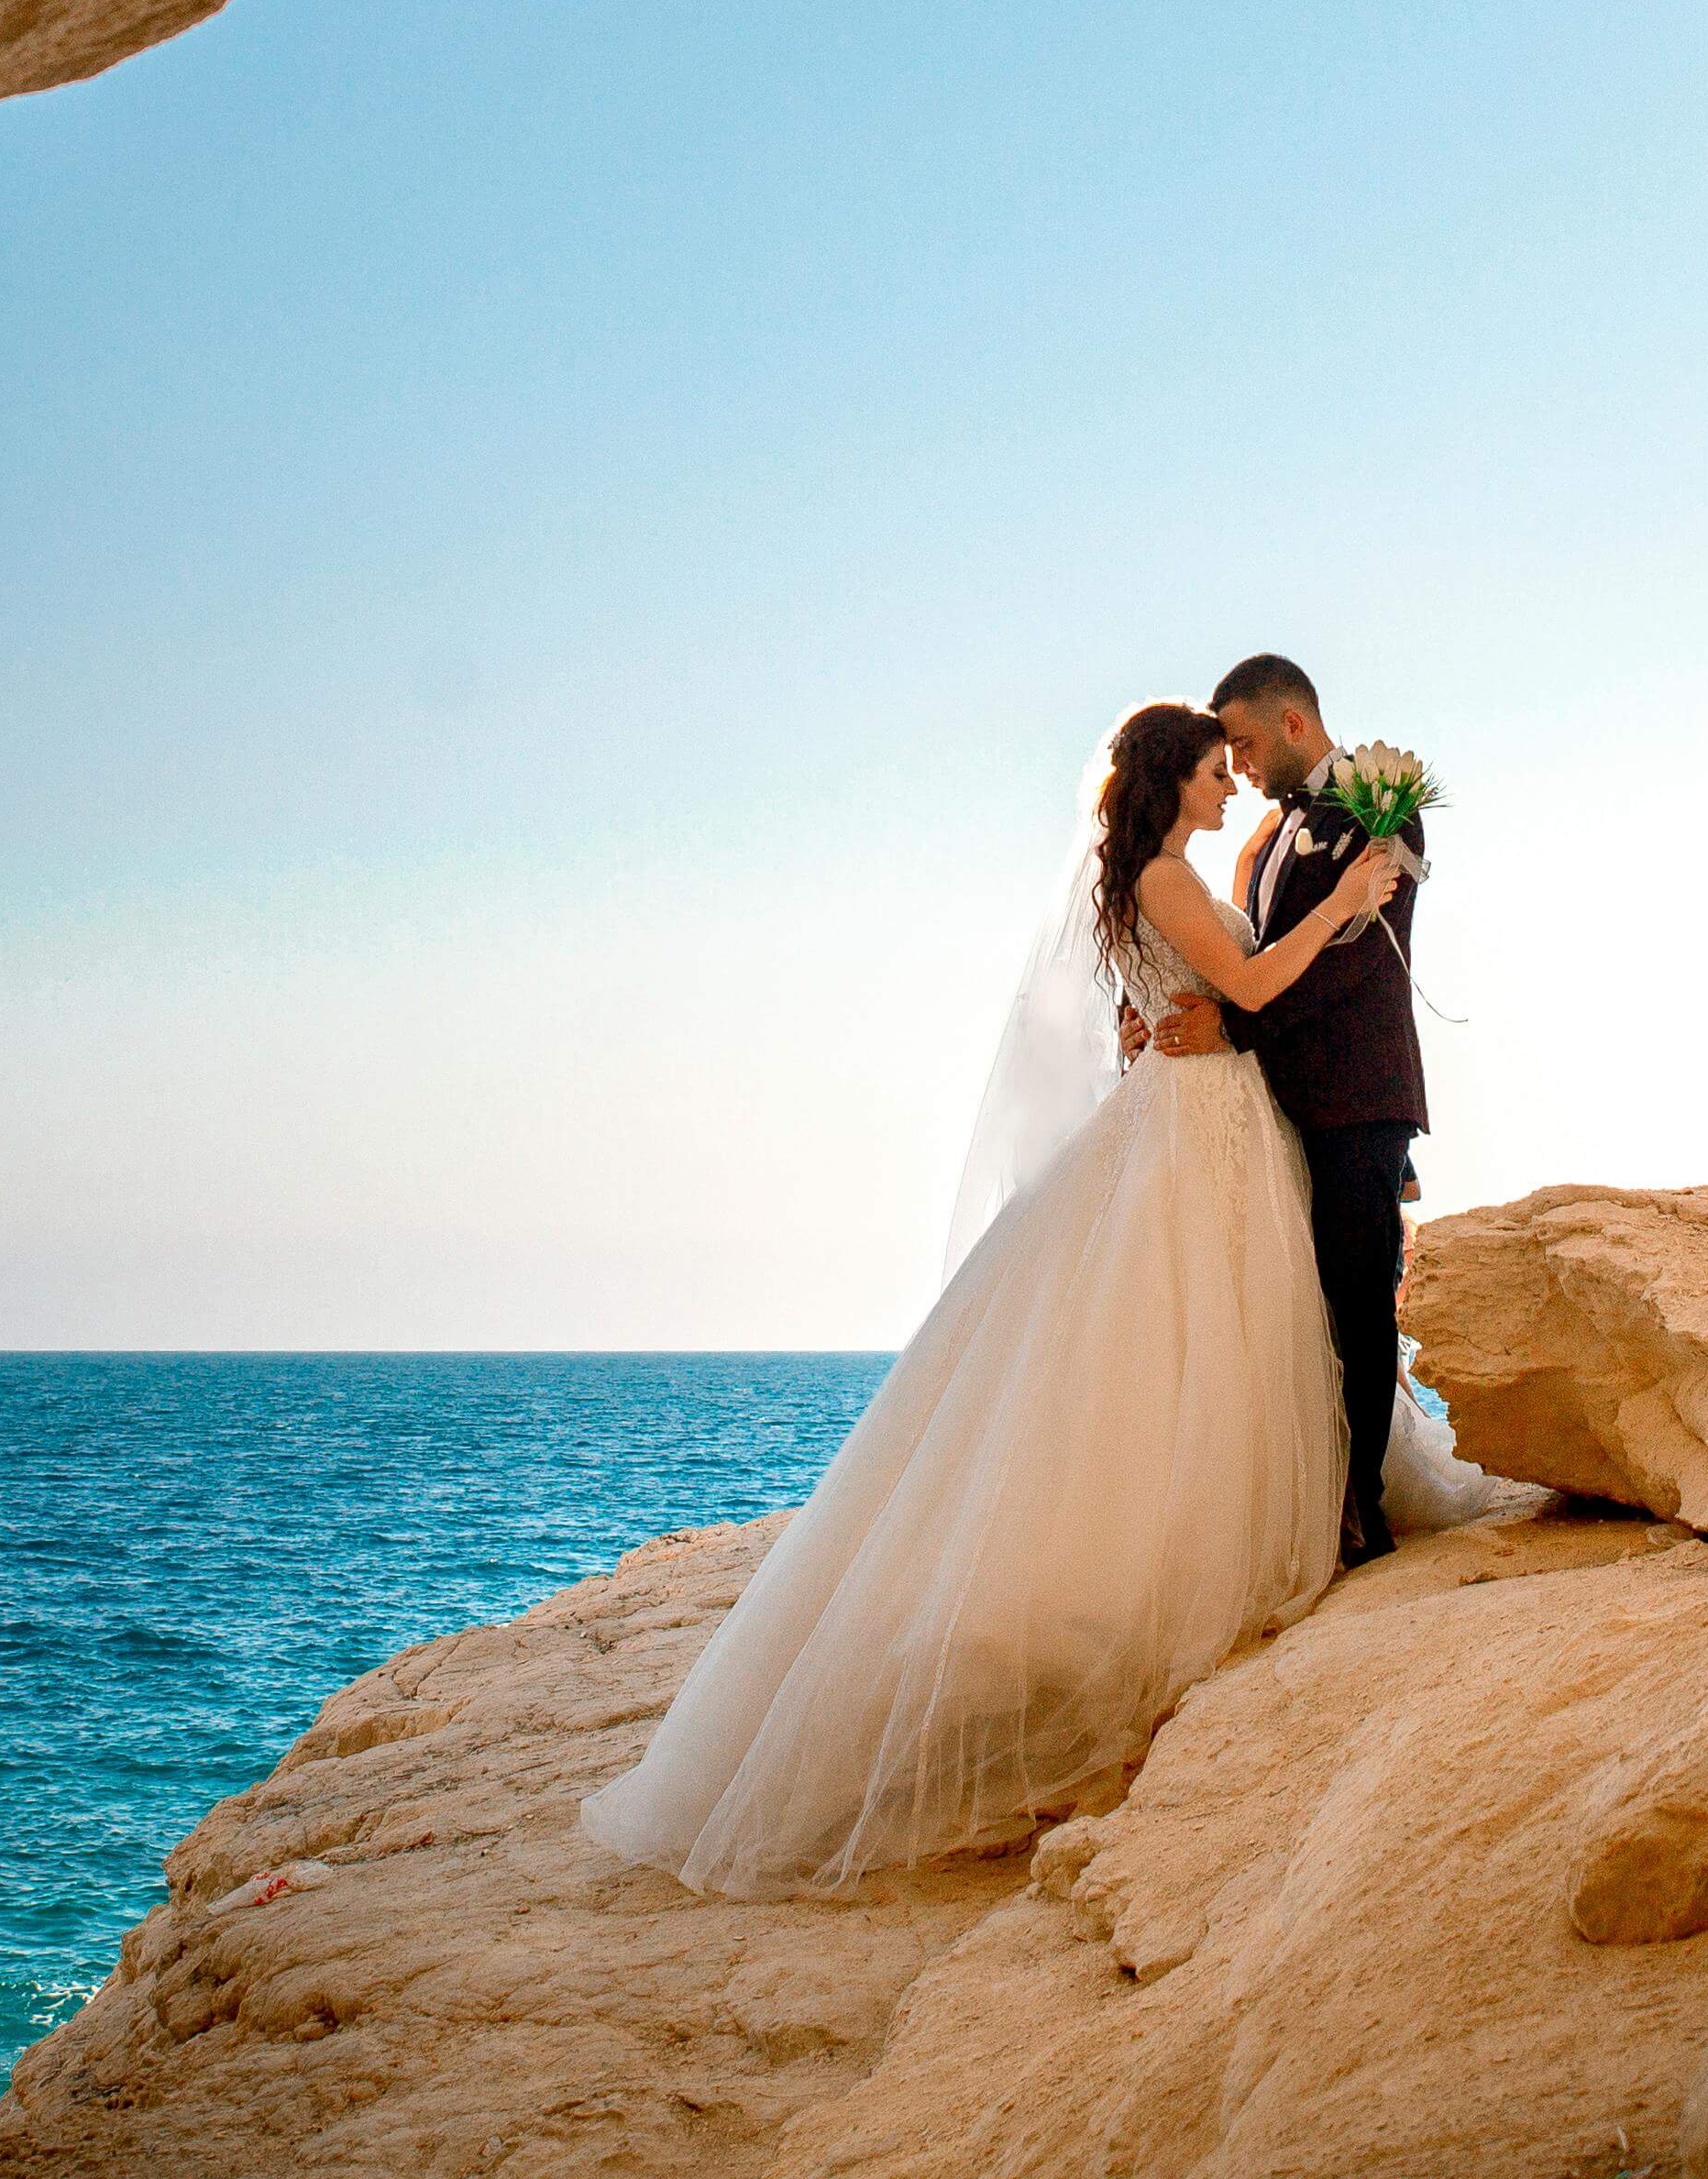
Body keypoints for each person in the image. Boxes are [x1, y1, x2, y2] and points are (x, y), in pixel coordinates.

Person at [577, 702, 1405, 1896]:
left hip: (1201, 1111)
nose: (1232, 789)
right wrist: (1341, 906)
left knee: (1206, 1338)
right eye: (1217, 773)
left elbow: (1180, 1009)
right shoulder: (1171, 879)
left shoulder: (1149, 878)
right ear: (1174, 779)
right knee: (1193, 1339)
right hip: (1197, 1123)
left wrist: (1185, 1013)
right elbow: (1255, 987)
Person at [1188, 653, 1436, 1569]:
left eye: (1247, 748)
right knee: (1295, 1303)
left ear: (1293, 723)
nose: (1242, 770)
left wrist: (1238, 1024)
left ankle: (1362, 1510)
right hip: (1278, 1106)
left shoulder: (1387, 806)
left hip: (1356, 1099)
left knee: (1358, 1299)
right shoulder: (1264, 842)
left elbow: (1360, 958)